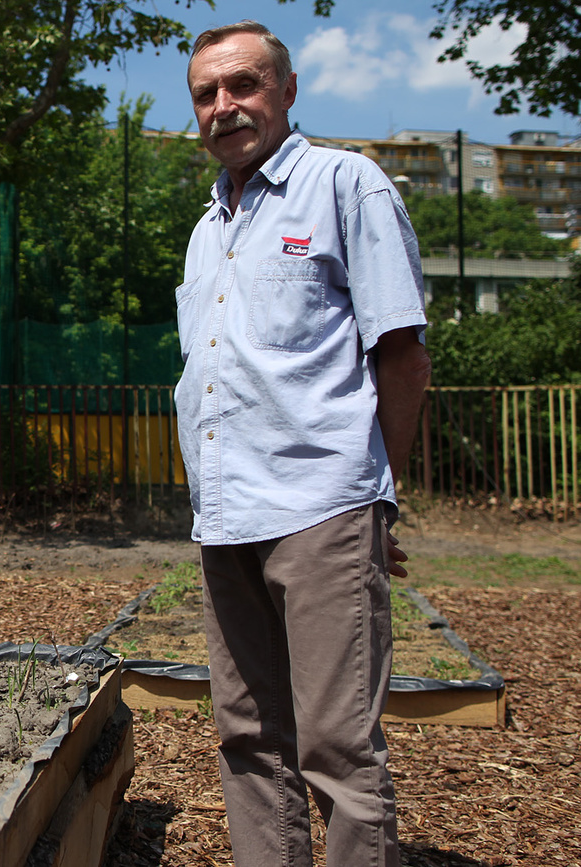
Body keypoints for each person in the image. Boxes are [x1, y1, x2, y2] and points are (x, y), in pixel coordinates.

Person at [174, 20, 432, 867]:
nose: (225, 106)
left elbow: (401, 352)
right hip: (226, 515)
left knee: (336, 746)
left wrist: (376, 496)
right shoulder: (207, 228)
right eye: (207, 93)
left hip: (322, 505)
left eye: (243, 85)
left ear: (286, 91)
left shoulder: (345, 184)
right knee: (246, 736)